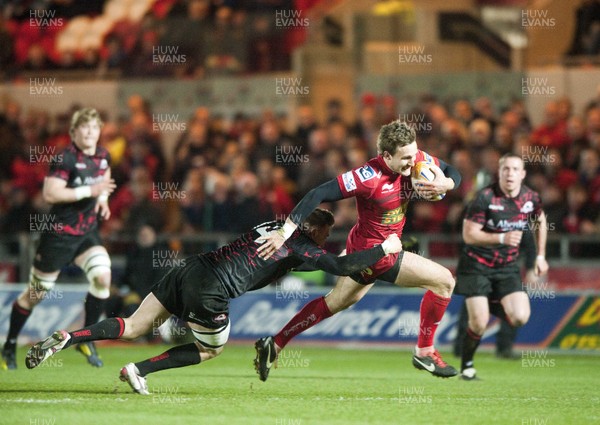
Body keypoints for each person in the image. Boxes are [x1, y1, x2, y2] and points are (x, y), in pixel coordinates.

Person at [25, 209, 403, 395]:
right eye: (326, 232)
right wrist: (381, 250)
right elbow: (337, 264)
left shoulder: (273, 226)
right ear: (316, 229)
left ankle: (68, 339)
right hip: (212, 290)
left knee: (136, 324)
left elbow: (283, 264)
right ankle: (138, 370)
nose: (325, 239)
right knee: (212, 349)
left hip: (190, 268)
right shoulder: (303, 243)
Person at [254, 120, 462, 381]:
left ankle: (274, 344)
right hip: (377, 253)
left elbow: (451, 169)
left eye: (415, 154)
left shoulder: (416, 158)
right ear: (386, 155)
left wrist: (447, 184)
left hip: (363, 249)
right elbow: (318, 193)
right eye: (406, 158)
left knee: (335, 302)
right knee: (444, 282)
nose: (414, 163)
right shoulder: (369, 177)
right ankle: (425, 351)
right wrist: (284, 232)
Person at [1, 108, 116, 370]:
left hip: (87, 232)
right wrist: (91, 190)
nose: (90, 132)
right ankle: (9, 344)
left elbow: (105, 180)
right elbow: (51, 194)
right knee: (36, 294)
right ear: (73, 132)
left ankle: (87, 338)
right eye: (84, 128)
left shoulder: (103, 155)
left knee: (102, 277)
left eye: (94, 128)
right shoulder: (64, 158)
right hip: (60, 234)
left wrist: (102, 200)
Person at [455, 153, 549, 380]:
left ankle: (489, 303)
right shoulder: (484, 197)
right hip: (476, 266)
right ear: (500, 172)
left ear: (522, 174)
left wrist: (540, 256)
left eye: (515, 169)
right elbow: (469, 235)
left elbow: (541, 220)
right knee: (478, 323)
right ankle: (467, 365)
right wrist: (501, 239)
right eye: (506, 169)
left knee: (520, 317)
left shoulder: (530, 197)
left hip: (506, 268)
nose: (510, 173)